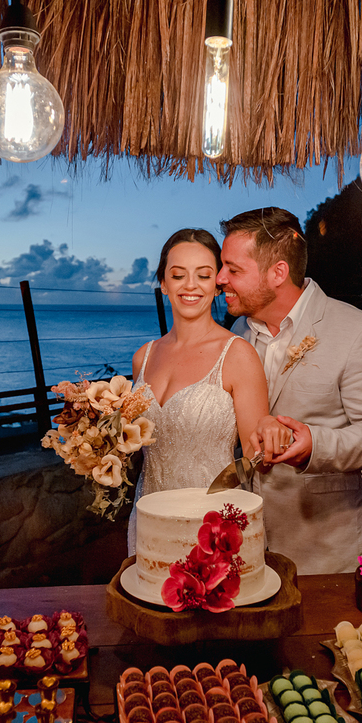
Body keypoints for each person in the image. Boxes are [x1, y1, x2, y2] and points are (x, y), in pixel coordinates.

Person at [215, 207, 362, 574]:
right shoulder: (237, 338)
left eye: (233, 270)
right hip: (251, 546)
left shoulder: (357, 330)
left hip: (331, 548)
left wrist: (315, 444)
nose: (220, 279)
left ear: (278, 272)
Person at [126, 228, 269, 555]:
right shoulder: (143, 357)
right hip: (147, 518)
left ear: (216, 284)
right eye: (178, 275)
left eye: (203, 275)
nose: (190, 285)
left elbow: (256, 456)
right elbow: (137, 447)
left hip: (212, 527)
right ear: (164, 283)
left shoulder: (237, 354)